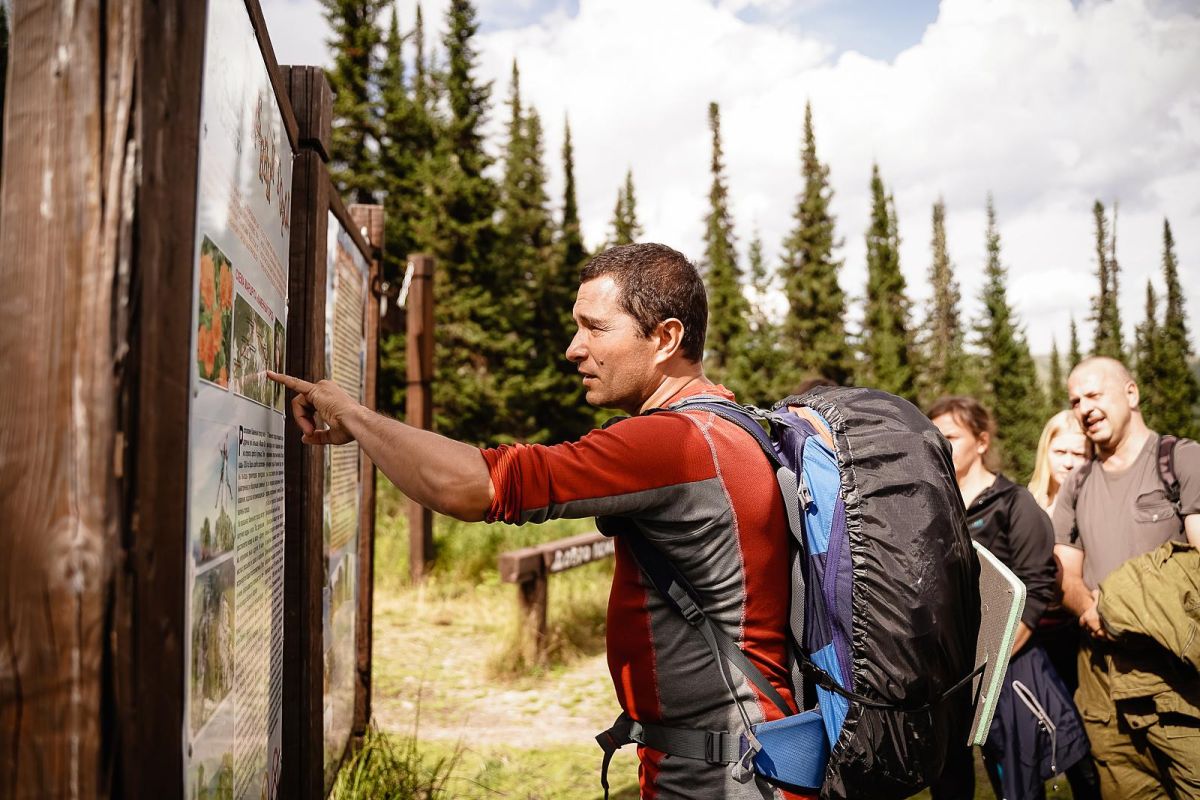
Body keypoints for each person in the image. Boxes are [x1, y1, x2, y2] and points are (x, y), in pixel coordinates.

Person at [268, 243, 809, 800]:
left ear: (665, 339)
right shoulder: (733, 427)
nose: (574, 350)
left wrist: (354, 415)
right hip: (748, 758)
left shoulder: (672, 443)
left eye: (595, 328)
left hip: (725, 777)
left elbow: (475, 486)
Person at [927, 397, 1091, 800]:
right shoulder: (931, 507)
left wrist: (989, 665)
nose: (941, 445)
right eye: (935, 438)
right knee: (949, 783)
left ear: (982, 441)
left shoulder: (1016, 505)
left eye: (951, 436)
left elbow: (1033, 594)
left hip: (1009, 671)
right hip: (947, 678)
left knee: (1019, 785)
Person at [1053, 356, 1200, 798]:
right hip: (1102, 682)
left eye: (1095, 394)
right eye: (1076, 400)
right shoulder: (1076, 484)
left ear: (1131, 394)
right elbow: (1063, 573)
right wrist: (1094, 611)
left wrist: (1122, 608)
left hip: (1177, 683)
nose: (1084, 407)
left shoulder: (1180, 460)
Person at [1028, 410, 1103, 798]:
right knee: (1037, 742)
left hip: (1078, 638)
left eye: (1080, 453)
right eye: (1061, 451)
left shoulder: (1093, 505)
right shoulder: (1027, 504)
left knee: (1083, 746)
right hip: (1033, 644)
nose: (1070, 462)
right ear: (1046, 452)